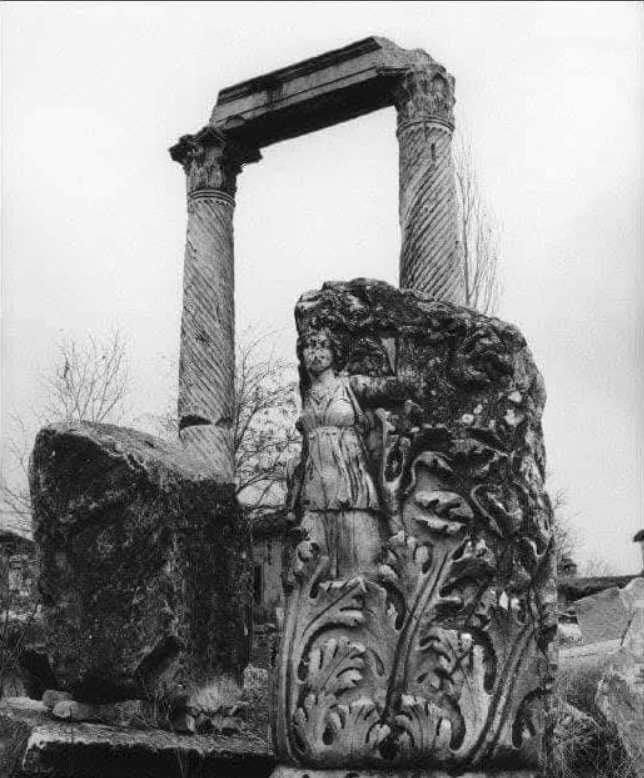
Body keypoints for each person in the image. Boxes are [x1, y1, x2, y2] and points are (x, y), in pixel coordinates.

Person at [286, 327, 386, 580]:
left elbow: (394, 389)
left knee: (362, 565)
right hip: (315, 489)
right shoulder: (307, 393)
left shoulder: (351, 385)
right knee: (314, 570)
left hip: (351, 484)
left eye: (323, 345)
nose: (315, 352)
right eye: (309, 346)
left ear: (335, 353)